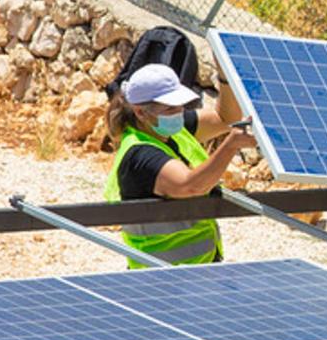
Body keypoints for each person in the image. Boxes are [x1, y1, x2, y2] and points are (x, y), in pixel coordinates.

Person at [103, 63, 255, 266]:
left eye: (180, 105)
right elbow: (190, 186)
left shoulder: (166, 128)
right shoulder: (140, 155)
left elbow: (225, 119)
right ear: (140, 112)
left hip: (193, 273)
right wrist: (230, 146)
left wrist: (225, 77)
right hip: (159, 280)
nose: (179, 113)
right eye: (170, 108)